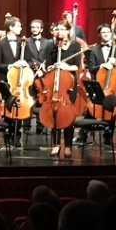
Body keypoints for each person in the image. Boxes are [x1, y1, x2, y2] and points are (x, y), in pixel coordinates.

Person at [40, 22, 82, 158]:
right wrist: (52, 67)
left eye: (63, 29)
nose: (60, 31)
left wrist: (64, 66)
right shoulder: (51, 47)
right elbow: (47, 66)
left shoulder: (75, 46)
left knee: (68, 114)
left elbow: (76, 67)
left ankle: (68, 145)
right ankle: (56, 144)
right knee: (54, 113)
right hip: (54, 84)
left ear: (69, 31)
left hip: (69, 85)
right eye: (58, 29)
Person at [0, 16, 33, 147]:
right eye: (18, 26)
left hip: (20, 82)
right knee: (8, 109)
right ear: (10, 27)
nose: (21, 28)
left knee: (20, 107)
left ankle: (16, 136)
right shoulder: (0, 44)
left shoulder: (23, 42)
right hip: (7, 81)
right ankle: (8, 136)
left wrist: (25, 63)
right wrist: (10, 66)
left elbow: (30, 60)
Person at [84, 24, 116, 146]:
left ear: (111, 33)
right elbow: (91, 68)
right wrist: (101, 66)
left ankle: (108, 137)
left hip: (112, 86)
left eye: (108, 32)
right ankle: (83, 135)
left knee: (111, 110)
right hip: (98, 86)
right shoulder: (94, 50)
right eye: (103, 32)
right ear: (99, 34)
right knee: (90, 110)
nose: (106, 34)